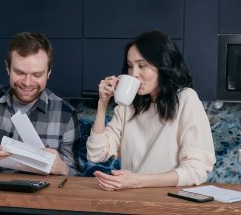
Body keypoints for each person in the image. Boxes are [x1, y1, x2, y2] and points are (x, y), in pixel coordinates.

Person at [86, 30, 216, 190]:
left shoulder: (186, 99)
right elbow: (96, 154)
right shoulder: (128, 106)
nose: (134, 74)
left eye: (142, 66)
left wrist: (136, 181)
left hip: (170, 202)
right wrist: (102, 103)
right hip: (133, 201)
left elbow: (197, 170)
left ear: (163, 65)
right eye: (129, 66)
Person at [0, 32, 80, 176]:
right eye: (19, 72)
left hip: (42, 196)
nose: (27, 82)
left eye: (37, 75)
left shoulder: (66, 114)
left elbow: (75, 174)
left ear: (48, 73)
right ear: (8, 68)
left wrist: (61, 167)